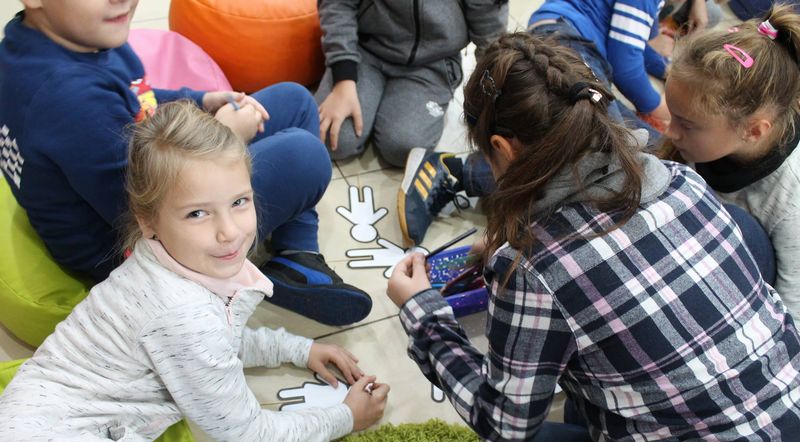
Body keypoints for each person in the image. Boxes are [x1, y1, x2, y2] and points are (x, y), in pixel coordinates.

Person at [388, 32, 800, 442]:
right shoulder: (687, 183)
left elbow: (504, 424)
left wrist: (424, 316)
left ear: (501, 149)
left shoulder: (533, 269)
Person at [0, 101, 390, 442]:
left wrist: (298, 349)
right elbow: (248, 434)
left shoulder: (164, 263)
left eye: (239, 202)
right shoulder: (183, 314)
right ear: (148, 220)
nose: (229, 232)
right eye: (197, 213)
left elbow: (218, 340)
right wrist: (345, 417)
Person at [0, 0, 371, 326]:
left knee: (295, 100)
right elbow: (143, 210)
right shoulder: (69, 97)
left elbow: (139, 98)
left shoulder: (63, 39)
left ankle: (295, 257)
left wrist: (201, 100)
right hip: (130, 247)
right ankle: (276, 260)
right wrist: (224, 135)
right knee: (305, 156)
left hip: (143, 179)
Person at [397, 0, 671, 246]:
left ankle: (459, 171)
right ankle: (454, 170)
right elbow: (627, 66)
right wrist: (663, 109)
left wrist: (665, 68)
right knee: (610, 149)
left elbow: (636, 46)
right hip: (566, 42)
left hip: (577, 47)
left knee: (653, 150)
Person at [663, 3, 800, 317]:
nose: (669, 132)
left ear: (753, 131)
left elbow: (794, 303)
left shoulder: (790, 199)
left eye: (685, 124)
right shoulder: (705, 139)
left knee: (741, 226)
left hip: (749, 284)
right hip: (703, 247)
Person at [314, 0, 508, 168]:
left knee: (404, 147)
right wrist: (343, 78)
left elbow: (490, 35)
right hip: (364, 50)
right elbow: (337, 5)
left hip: (433, 62)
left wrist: (495, 101)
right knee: (329, 139)